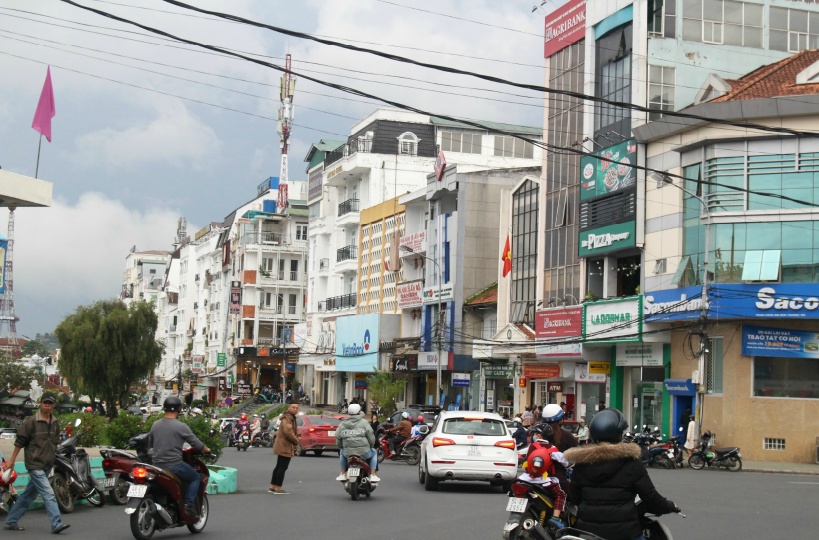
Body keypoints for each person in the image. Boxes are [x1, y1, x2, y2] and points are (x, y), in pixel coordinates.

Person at [564, 408, 679, 540]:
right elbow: (651, 497)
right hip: (625, 534)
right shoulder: (631, 463)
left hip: (588, 533)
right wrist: (670, 506)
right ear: (618, 435)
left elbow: (574, 498)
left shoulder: (581, 464)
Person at [3, 391, 70, 534]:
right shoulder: (31, 421)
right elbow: (19, 442)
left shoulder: (55, 423)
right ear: (40, 403)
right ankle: (56, 523)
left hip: (47, 464)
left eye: (50, 403)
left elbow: (55, 443)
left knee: (28, 495)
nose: (47, 405)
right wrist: (12, 461)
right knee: (49, 493)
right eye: (45, 402)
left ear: (53, 405)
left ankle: (11, 520)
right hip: (34, 465)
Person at [150, 396, 210, 517]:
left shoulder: (155, 425)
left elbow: (151, 443)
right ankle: (188, 505)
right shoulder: (181, 426)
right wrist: (207, 450)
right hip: (174, 465)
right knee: (195, 477)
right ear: (179, 409)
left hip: (156, 465)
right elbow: (196, 444)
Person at [335, 404, 380, 483]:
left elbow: (338, 438)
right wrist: (371, 446)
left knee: (342, 451)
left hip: (347, 453)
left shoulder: (342, 424)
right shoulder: (364, 422)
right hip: (364, 452)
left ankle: (342, 473)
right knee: (374, 452)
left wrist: (341, 447)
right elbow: (371, 437)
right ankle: (373, 474)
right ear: (359, 412)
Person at [270, 403, 300, 494]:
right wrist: (296, 441)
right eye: (293, 407)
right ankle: (278, 487)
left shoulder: (289, 417)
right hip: (285, 445)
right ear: (289, 408)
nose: (295, 409)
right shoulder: (288, 418)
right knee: (282, 467)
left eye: (297, 408)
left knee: (279, 466)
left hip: (282, 444)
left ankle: (273, 486)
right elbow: (288, 432)